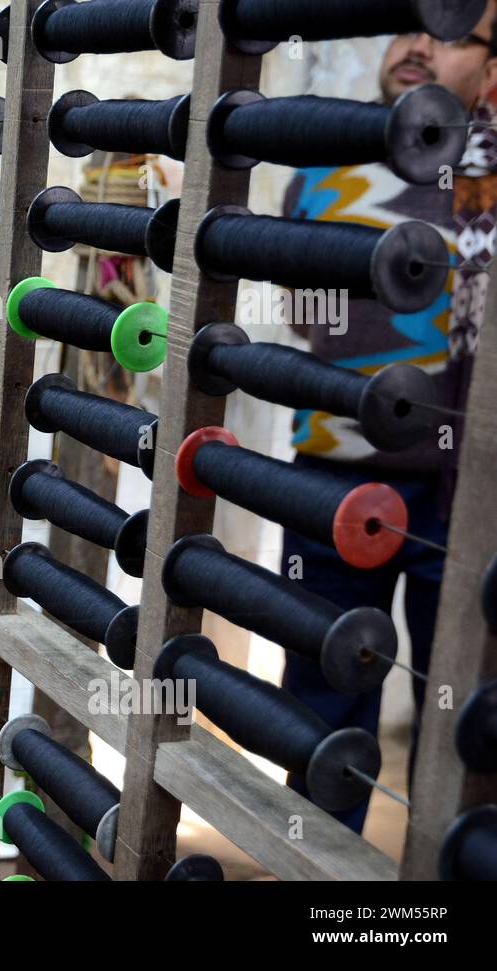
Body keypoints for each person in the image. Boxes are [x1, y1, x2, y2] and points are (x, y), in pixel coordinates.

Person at [280, 16, 497, 831]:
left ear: (490, 68)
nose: (417, 44)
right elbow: (302, 316)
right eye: (405, 24)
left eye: (451, 33)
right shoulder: (322, 160)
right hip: (331, 485)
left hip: (472, 499)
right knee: (320, 716)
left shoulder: (495, 175)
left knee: (465, 726)